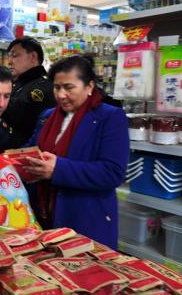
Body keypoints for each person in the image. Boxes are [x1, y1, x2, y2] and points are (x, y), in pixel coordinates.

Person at [21, 56, 129, 249]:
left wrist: (58, 170)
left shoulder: (109, 117)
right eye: (56, 87)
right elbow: (30, 149)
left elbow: (112, 172)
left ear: (89, 87)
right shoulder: (47, 117)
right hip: (43, 217)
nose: (61, 95)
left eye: (69, 87)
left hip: (85, 220)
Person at [3, 37, 56, 147]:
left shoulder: (43, 87)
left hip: (27, 154)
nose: (9, 62)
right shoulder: (19, 84)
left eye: (15, 55)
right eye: (8, 56)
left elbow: (21, 118)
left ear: (33, 57)